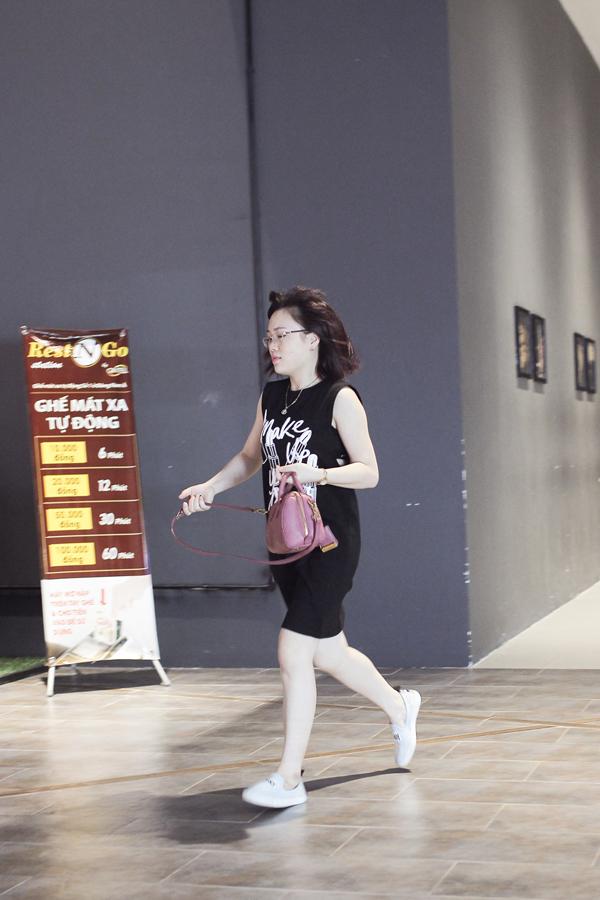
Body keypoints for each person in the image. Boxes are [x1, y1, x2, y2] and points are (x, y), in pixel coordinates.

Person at [178, 285, 421, 809]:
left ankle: (289, 779)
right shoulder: (271, 396)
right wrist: (210, 487)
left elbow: (370, 472)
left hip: (330, 544)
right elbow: (251, 457)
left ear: (312, 339)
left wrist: (321, 473)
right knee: (329, 651)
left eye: (282, 335)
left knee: (293, 650)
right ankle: (400, 707)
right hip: (285, 541)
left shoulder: (340, 398)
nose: (273, 345)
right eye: (269, 337)